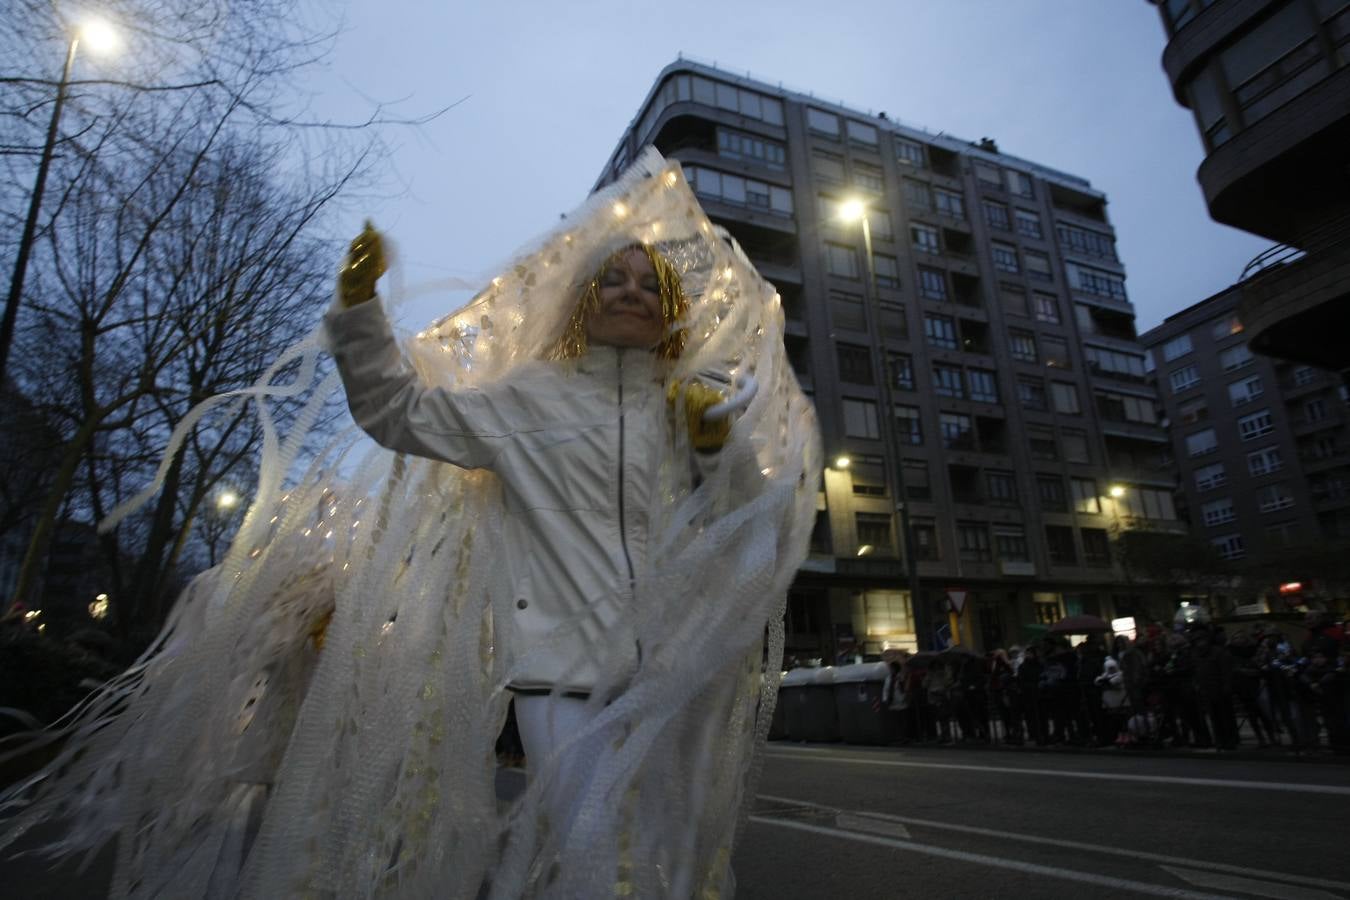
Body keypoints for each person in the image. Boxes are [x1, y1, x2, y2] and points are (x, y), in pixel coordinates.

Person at [0, 150, 821, 899]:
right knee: (594, 853)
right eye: (616, 280)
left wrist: (717, 446)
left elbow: (738, 516)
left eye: (649, 284)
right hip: (560, 675)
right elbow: (396, 411)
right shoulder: (528, 401)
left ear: (668, 308)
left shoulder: (685, 405)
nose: (633, 291)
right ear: (586, 299)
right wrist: (359, 314)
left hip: (664, 677)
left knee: (660, 864)